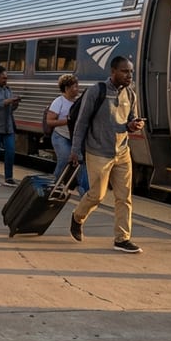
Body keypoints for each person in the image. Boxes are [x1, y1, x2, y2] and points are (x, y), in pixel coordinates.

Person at [67, 56, 145, 253]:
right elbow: (82, 122)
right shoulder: (97, 91)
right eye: (125, 71)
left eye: (131, 72)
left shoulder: (131, 95)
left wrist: (135, 125)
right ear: (113, 72)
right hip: (98, 152)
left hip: (122, 151)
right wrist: (75, 150)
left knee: (124, 197)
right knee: (97, 195)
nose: (129, 75)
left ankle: (122, 238)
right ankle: (77, 217)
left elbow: (130, 120)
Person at [47, 73, 90, 196]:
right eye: (75, 86)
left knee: (80, 161)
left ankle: (85, 191)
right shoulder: (58, 102)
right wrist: (67, 120)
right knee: (66, 158)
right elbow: (49, 121)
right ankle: (54, 184)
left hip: (74, 138)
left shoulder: (78, 102)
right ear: (66, 88)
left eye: (77, 86)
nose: (78, 89)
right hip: (60, 136)